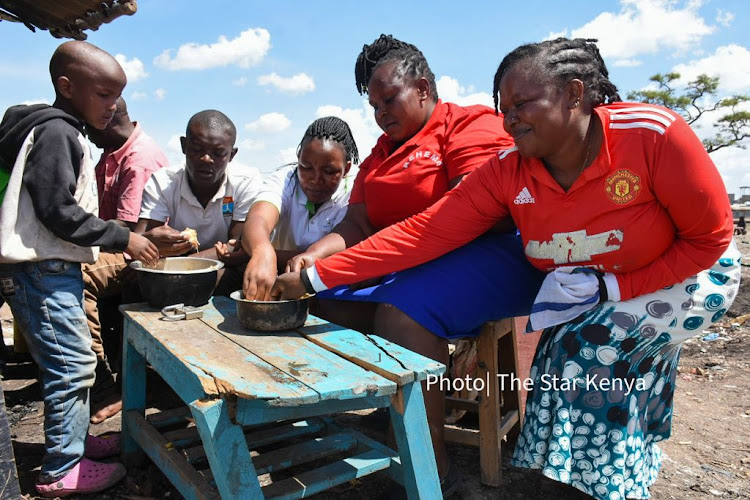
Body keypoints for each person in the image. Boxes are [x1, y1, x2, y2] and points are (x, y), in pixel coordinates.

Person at [271, 38, 741, 500]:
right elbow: (425, 231)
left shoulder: (650, 133)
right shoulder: (507, 169)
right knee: (561, 354)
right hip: (596, 277)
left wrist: (616, 286)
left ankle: (601, 483)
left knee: (588, 347)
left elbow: (709, 238)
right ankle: (586, 474)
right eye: (504, 106)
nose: (508, 118)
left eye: (521, 103)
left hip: (692, 271)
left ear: (574, 94)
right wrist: (317, 275)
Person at [279, 34, 545, 493]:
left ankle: (429, 462)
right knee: (324, 302)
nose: (380, 112)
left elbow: (474, 218)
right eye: (374, 105)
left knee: (403, 311)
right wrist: (314, 256)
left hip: (489, 255)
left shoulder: (467, 126)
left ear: (422, 88)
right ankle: (381, 415)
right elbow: (358, 223)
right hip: (407, 261)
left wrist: (359, 266)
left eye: (389, 99)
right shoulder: (380, 154)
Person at [0, 41, 159, 497]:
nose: (113, 107)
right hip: (43, 269)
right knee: (70, 367)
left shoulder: (55, 130)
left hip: (47, 267)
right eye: (104, 95)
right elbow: (57, 211)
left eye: (117, 95)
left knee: (72, 362)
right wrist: (122, 236)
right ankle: (61, 471)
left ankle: (73, 442)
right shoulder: (57, 134)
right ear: (67, 87)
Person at [82, 96, 168, 424]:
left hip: (142, 251)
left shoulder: (138, 158)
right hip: (115, 245)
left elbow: (130, 230)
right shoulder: (109, 154)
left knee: (75, 275)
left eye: (89, 127)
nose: (86, 135)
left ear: (108, 119)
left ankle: (102, 385)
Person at [135, 109, 262, 294]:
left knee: (225, 278)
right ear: (184, 145)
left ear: (232, 155)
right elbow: (142, 240)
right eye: (197, 150)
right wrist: (153, 239)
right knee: (137, 279)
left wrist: (188, 263)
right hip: (175, 262)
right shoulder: (163, 182)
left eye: (218, 153)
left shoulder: (245, 181)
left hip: (218, 267)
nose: (206, 159)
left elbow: (235, 246)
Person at [240, 116, 358, 299]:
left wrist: (275, 254)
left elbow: (342, 248)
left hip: (324, 283)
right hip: (276, 273)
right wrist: (261, 251)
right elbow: (259, 218)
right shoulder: (286, 179)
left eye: (329, 172)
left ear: (347, 169)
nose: (315, 179)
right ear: (298, 159)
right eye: (306, 167)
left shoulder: (354, 191)